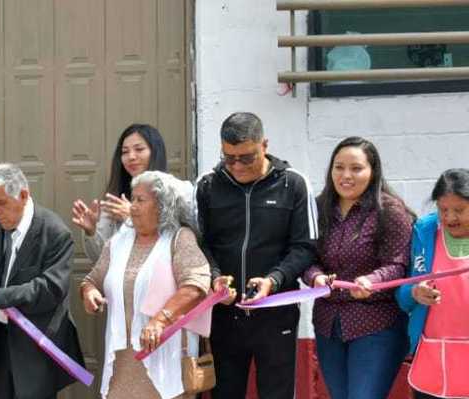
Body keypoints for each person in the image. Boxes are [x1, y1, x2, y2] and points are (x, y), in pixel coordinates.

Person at [195, 112, 318, 399]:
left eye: (246, 158)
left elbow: (305, 248)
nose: (237, 166)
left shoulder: (294, 184)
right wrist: (214, 278)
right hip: (224, 316)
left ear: (264, 145)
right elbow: (200, 245)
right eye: (229, 157)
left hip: (276, 315)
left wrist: (273, 280)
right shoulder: (208, 186)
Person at [80, 171, 211, 399]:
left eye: (141, 200)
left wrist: (160, 321)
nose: (132, 206)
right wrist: (89, 292)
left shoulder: (179, 239)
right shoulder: (119, 241)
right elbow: (92, 279)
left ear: (162, 206)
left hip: (164, 358)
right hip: (123, 362)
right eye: (133, 199)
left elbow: (195, 285)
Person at [303, 137, 412, 399]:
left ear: (373, 171)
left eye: (356, 168)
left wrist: (373, 280)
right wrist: (315, 277)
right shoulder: (317, 208)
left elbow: (398, 262)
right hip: (328, 324)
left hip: (376, 325)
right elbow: (305, 257)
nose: (346, 176)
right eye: (339, 167)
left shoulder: (389, 210)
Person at [0, 163, 85, 399]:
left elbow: (51, 289)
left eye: (0, 203)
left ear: (23, 195)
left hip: (35, 347)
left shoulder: (55, 232)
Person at [398, 168, 469, 399]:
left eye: (459, 210)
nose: (449, 218)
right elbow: (403, 296)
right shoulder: (425, 232)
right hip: (433, 355)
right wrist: (415, 292)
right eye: (443, 209)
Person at [72, 124, 169, 262]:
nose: (131, 156)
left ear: (155, 152)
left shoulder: (173, 195)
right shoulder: (115, 198)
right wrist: (91, 232)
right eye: (124, 152)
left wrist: (132, 218)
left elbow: (169, 249)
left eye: (139, 149)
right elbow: (101, 259)